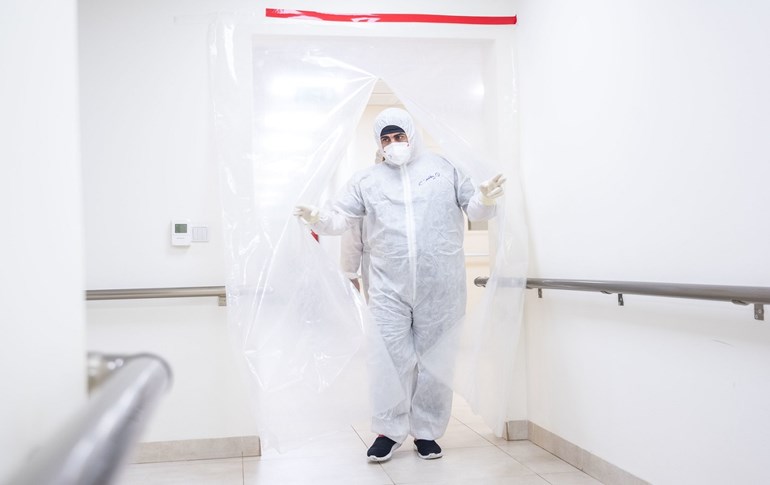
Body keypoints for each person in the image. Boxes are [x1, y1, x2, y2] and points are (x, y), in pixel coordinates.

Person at [294, 108, 505, 462]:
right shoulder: (367, 181)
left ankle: (426, 432)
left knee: (437, 360)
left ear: (412, 135)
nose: (394, 144)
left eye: (399, 136)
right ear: (379, 144)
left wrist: (484, 199)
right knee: (389, 361)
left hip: (442, 285)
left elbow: (477, 211)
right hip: (388, 287)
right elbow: (341, 220)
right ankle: (388, 431)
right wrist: (318, 218)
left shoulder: (444, 169)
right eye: (386, 139)